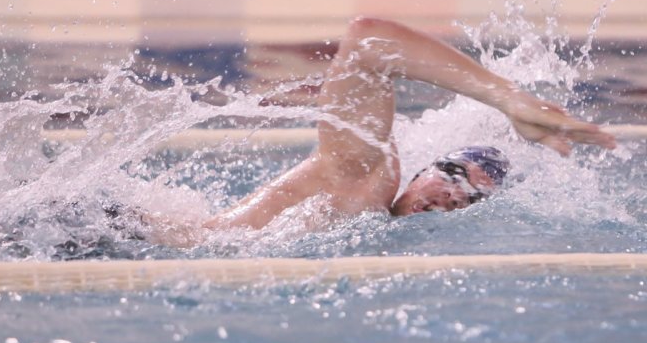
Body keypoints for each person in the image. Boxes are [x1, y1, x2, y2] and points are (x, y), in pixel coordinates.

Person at [201, 17, 616, 232]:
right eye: (452, 174)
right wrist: (509, 99)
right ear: (420, 172)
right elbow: (368, 41)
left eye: (471, 199)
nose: (451, 196)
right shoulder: (366, 182)